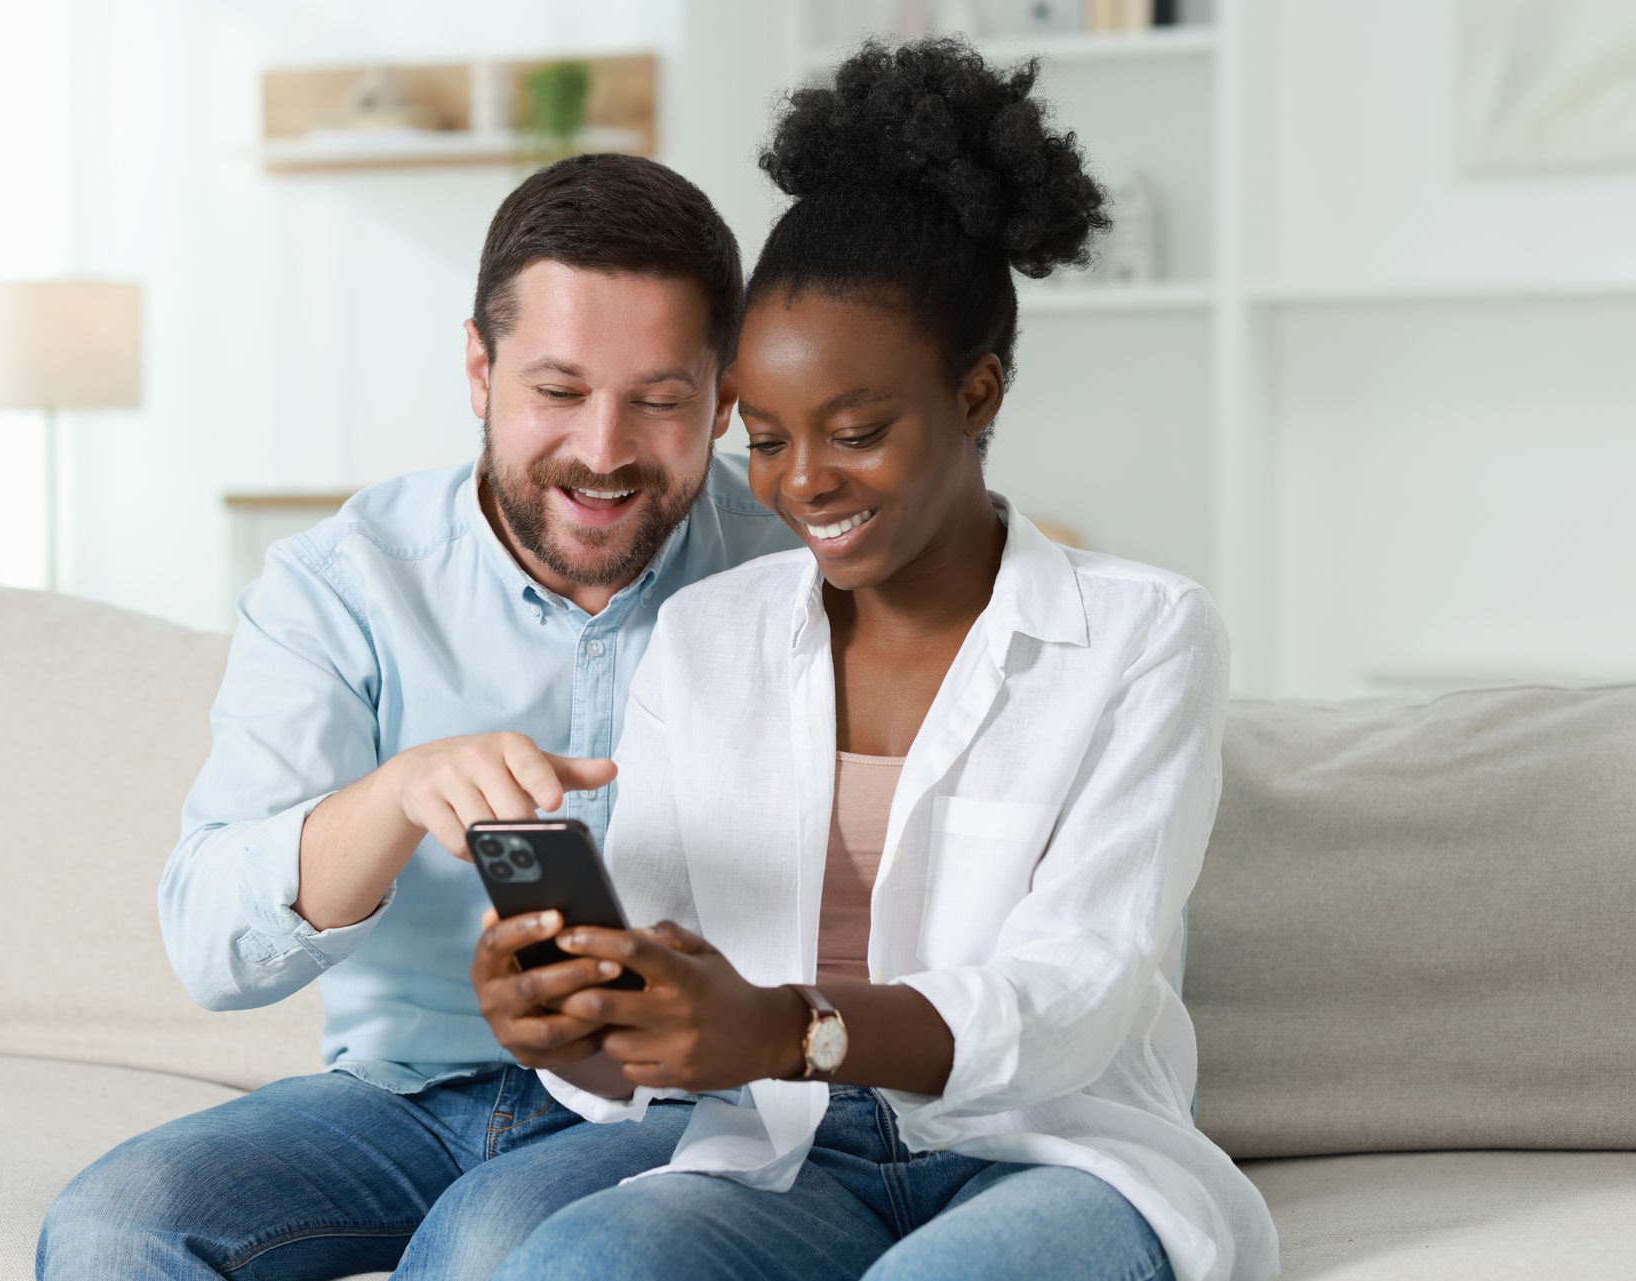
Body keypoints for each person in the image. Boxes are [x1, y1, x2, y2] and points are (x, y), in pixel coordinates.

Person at [469, 40, 1280, 1281]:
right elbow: (662, 974)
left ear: (977, 392)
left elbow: (1080, 989)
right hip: (784, 1150)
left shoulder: (1143, 634)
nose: (803, 485)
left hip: (1049, 1155)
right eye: (770, 437)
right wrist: (566, 1023)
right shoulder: (709, 637)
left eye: (854, 433)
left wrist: (794, 1027)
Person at [34, 153, 799, 1280]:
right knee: (116, 1225)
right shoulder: (344, 582)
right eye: (558, 389)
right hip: (400, 1096)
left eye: (660, 400)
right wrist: (393, 798)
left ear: (725, 397)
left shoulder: (799, 581)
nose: (602, 449)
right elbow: (210, 948)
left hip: (677, 1108)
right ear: (480, 371)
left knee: (485, 1245)